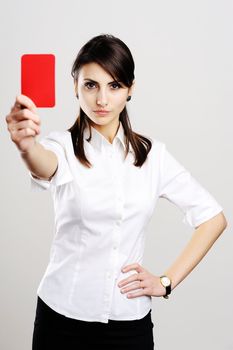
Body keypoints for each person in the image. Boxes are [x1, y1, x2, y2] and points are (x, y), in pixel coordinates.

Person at [6, 34, 227, 350]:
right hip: (61, 318)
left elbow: (213, 218)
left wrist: (165, 282)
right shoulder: (62, 147)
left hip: (129, 324)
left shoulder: (153, 157)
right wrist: (26, 146)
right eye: (91, 85)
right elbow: (44, 164)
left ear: (130, 89)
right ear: (75, 87)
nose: (102, 100)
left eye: (114, 86)